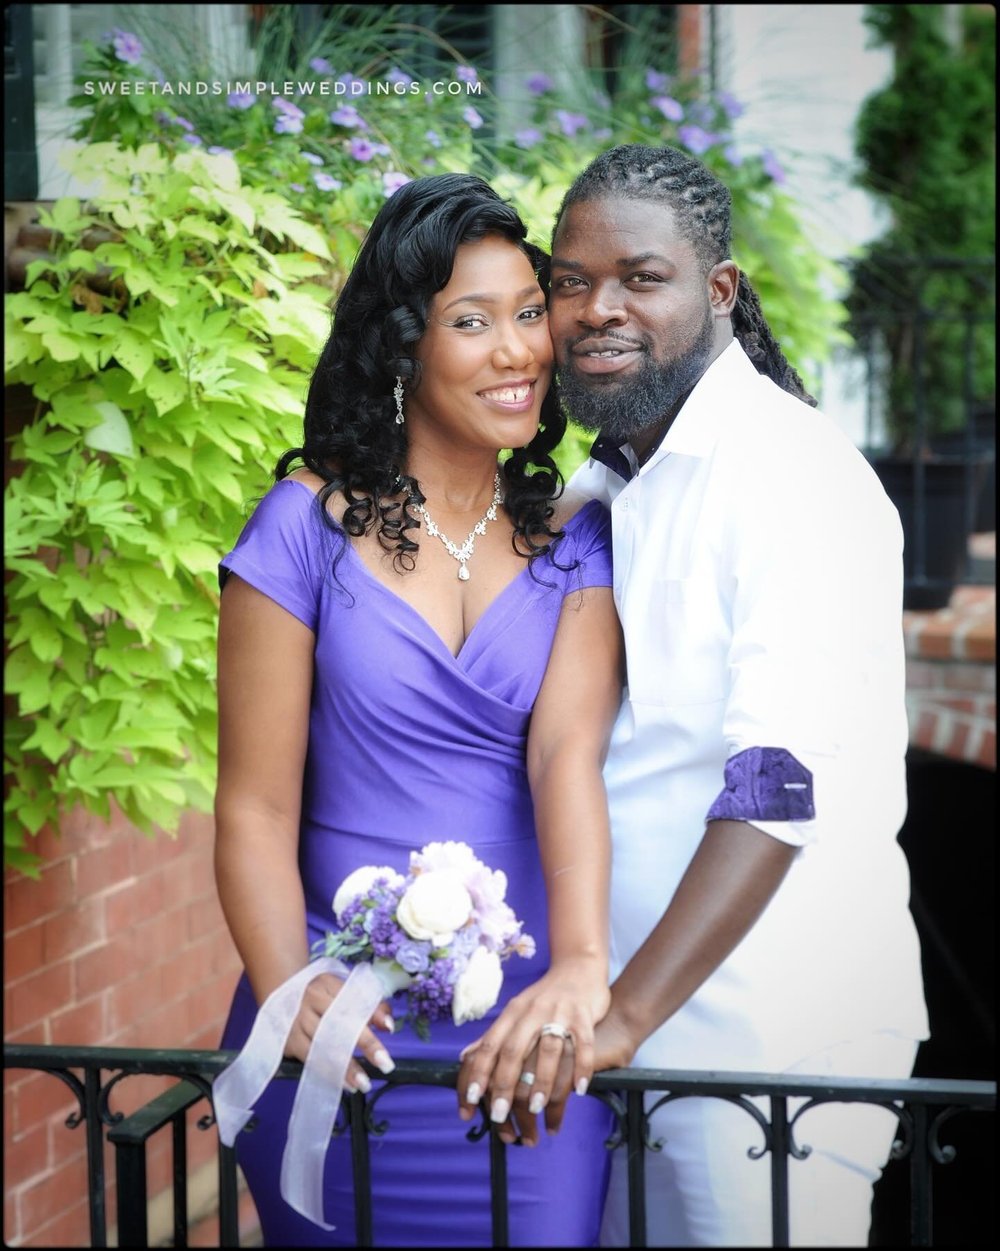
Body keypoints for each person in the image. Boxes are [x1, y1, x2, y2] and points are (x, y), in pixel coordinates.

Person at [457, 143, 929, 1247]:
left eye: (640, 278)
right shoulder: (608, 479)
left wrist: (617, 1019)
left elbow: (775, 789)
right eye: (569, 283)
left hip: (765, 1043)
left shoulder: (787, 475)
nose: (594, 309)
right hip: (624, 1031)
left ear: (718, 291)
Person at [213, 171, 623, 1247]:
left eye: (529, 313)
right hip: (336, 1018)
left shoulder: (574, 543)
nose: (518, 350)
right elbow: (253, 804)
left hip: (522, 1041)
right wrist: (280, 984)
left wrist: (581, 967)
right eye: (471, 321)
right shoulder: (301, 528)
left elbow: (564, 760)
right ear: (403, 347)